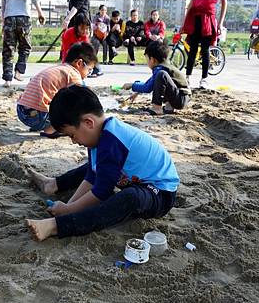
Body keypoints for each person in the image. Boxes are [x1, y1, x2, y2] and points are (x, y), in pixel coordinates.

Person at [25, 85, 179, 241]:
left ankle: (55, 227)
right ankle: (54, 184)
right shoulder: (98, 136)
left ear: (88, 122)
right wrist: (69, 206)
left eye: (72, 135)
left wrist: (69, 210)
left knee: (130, 198)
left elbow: (101, 191)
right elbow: (92, 177)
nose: (73, 141)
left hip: (160, 193)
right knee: (95, 167)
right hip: (135, 180)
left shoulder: (112, 141)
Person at [17, 42, 97, 138]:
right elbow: (82, 98)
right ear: (79, 63)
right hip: (38, 116)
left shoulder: (59, 68)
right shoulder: (73, 73)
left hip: (22, 111)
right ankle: (50, 130)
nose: (88, 74)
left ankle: (41, 125)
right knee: (74, 106)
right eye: (89, 70)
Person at [122, 41, 191, 116]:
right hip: (180, 97)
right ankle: (169, 107)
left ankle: (156, 108)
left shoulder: (160, 70)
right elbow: (149, 83)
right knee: (160, 78)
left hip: (180, 98)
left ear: (152, 59)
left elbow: (147, 88)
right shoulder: (163, 66)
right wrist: (137, 92)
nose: (147, 62)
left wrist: (132, 85)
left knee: (161, 75)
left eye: (147, 59)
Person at [180, 0, 227, 89]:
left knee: (205, 50)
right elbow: (191, 4)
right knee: (192, 50)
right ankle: (187, 77)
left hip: (208, 19)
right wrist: (183, 23)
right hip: (195, 19)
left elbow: (224, 2)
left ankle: (204, 79)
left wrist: (220, 23)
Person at [1, 0, 45, 88]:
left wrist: (3, 21)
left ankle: (7, 79)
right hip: (24, 17)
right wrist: (40, 12)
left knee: (8, 49)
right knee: (25, 47)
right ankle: (18, 71)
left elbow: (3, 4)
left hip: (9, 17)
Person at [89, 4, 109, 76]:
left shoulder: (107, 18)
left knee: (105, 43)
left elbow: (108, 28)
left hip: (104, 35)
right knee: (96, 43)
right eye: (102, 10)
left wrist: (106, 34)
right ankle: (94, 58)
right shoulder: (96, 17)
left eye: (105, 10)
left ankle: (105, 59)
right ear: (99, 10)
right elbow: (93, 26)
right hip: (96, 35)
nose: (103, 11)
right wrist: (98, 27)